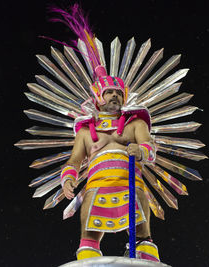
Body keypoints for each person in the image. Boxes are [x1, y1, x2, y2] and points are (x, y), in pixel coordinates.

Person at [60, 64, 160, 262]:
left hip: (131, 186)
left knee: (144, 243)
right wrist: (68, 179)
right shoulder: (85, 132)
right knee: (88, 244)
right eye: (109, 92)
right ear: (98, 96)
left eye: (118, 93)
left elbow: (150, 147)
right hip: (96, 188)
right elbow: (74, 160)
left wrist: (141, 151)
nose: (115, 95)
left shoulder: (135, 124)